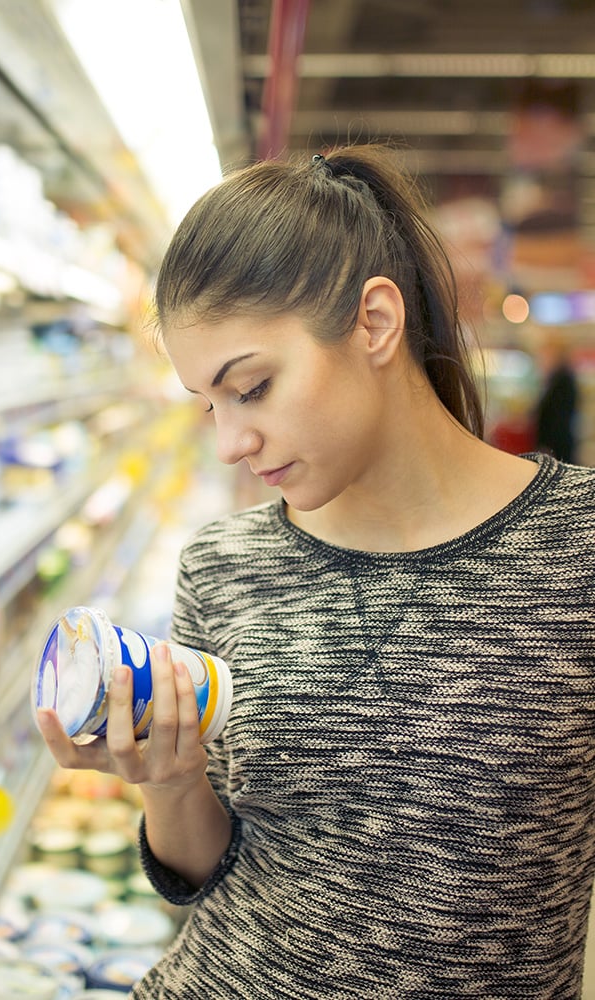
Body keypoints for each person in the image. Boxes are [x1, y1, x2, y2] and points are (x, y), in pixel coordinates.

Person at [36, 143, 595, 999]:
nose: (230, 442)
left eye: (251, 387)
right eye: (210, 404)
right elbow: (206, 872)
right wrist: (173, 780)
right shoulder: (224, 565)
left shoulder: (574, 547)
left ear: (375, 323)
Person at [535, 332, 579, 463]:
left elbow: (558, 417)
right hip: (555, 443)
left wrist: (548, 446)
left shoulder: (563, 380)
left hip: (556, 445)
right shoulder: (556, 378)